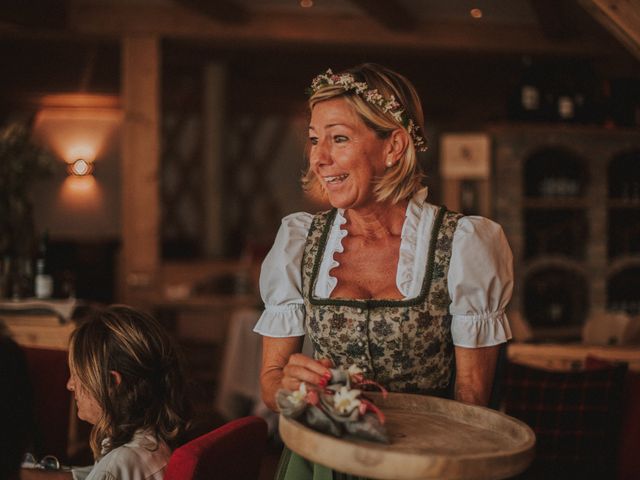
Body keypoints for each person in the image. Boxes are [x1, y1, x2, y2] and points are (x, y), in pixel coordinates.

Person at [254, 63, 513, 478]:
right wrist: (287, 384)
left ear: (393, 146)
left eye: (338, 139)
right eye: (314, 139)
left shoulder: (464, 244)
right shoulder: (299, 241)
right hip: (324, 462)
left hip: (424, 463)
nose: (319, 158)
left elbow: (471, 400)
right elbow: (270, 384)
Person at [21, 305, 191, 480]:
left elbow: (108, 472)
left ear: (112, 383)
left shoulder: (116, 466)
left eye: (77, 375)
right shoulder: (151, 444)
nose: (69, 385)